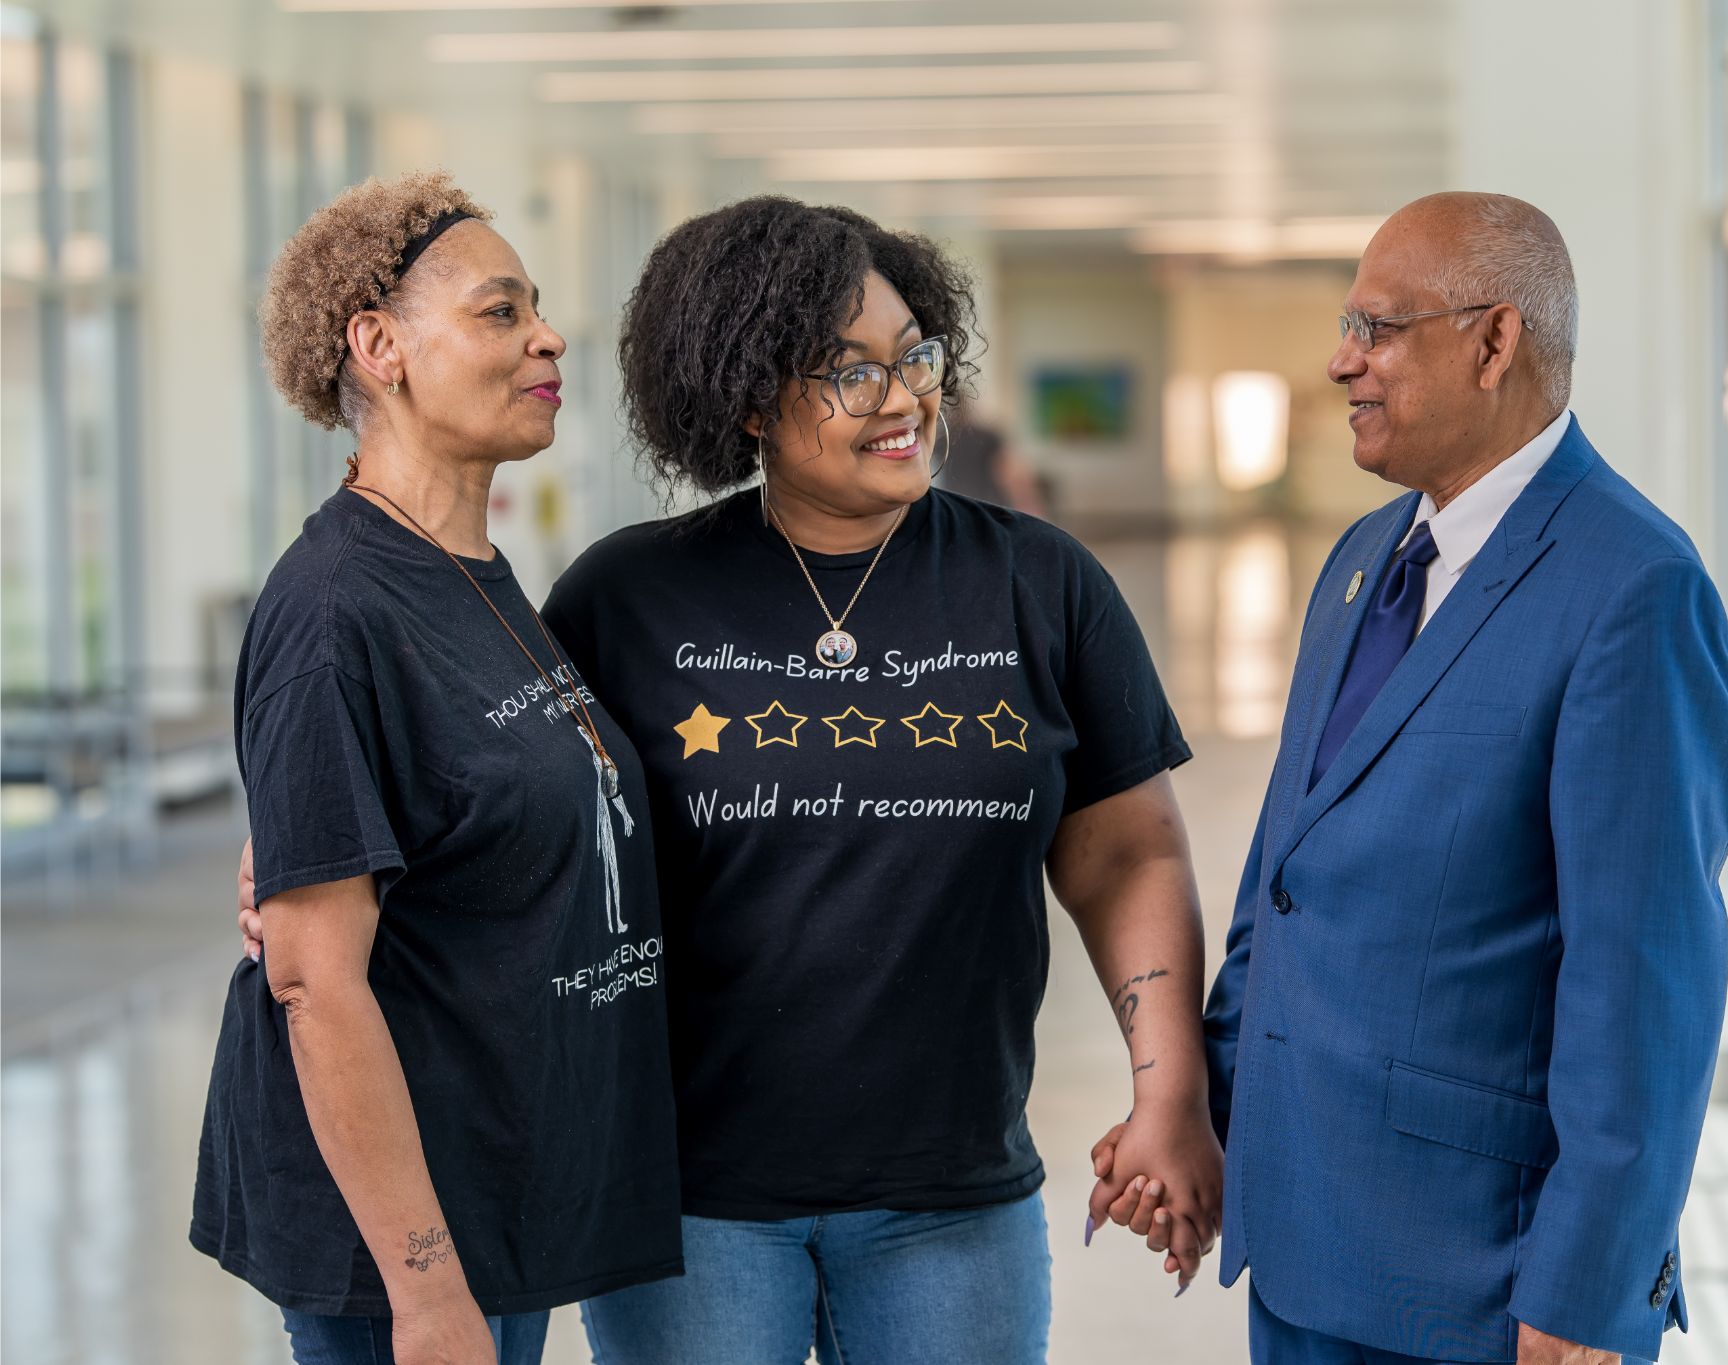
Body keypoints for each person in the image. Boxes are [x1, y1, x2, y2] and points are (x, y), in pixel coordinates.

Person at [244, 194, 1222, 1363]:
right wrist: (306, 870)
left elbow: (1128, 851)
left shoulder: (1038, 583)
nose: (902, 396)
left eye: (915, 355)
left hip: (951, 1194)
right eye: (847, 370)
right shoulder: (619, 597)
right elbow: (508, 802)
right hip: (686, 1204)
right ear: (748, 396)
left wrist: (1168, 1088)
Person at [1100, 192, 1728, 1364]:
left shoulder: (1630, 588)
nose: (1341, 362)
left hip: (1481, 1284)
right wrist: (1202, 1120)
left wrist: (1589, 1287)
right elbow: (1280, 890)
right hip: (1301, 1244)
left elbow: (1643, 979)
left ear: (1494, 342)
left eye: (1378, 329)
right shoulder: (1362, 561)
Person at [192, 173, 682, 1365]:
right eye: (499, 312)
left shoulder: (471, 574)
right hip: (403, 1250)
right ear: (380, 346)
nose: (548, 337)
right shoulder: (333, 611)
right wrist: (423, 1291)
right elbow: (316, 983)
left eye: (537, 309)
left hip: (500, 1175)